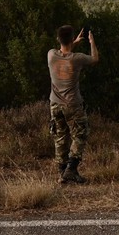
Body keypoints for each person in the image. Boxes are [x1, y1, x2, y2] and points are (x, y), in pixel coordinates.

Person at [48, 24, 99, 184]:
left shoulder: (51, 55)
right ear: (70, 39)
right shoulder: (77, 59)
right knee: (80, 134)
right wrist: (91, 42)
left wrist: (74, 41)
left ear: (58, 39)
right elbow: (95, 58)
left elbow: (63, 50)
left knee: (60, 136)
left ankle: (62, 172)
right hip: (73, 104)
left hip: (54, 103)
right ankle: (71, 169)